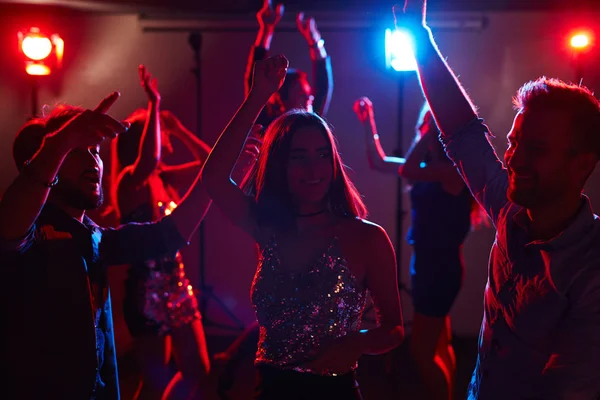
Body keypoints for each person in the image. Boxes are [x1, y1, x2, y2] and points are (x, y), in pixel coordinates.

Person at [395, 1, 600, 399]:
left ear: (582, 165)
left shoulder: (591, 269)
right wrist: (420, 37)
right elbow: (462, 134)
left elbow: (568, 390)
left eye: (536, 148)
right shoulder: (512, 211)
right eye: (513, 142)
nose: (514, 158)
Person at [201, 55, 404, 400]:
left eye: (322, 155)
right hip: (269, 390)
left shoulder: (366, 237)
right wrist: (257, 97)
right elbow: (214, 178)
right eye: (299, 156)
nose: (314, 168)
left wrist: (358, 343)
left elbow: (394, 328)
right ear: (280, 165)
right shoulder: (269, 228)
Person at [0, 92, 211, 399]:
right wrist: (62, 139)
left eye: (95, 150)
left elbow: (168, 233)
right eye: (77, 150)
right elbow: (9, 224)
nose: (93, 160)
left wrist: (254, 102)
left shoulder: (95, 236)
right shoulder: (29, 233)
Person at [354, 97, 487, 400]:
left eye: (436, 124)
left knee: (422, 353)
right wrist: (367, 121)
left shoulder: (453, 171)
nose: (429, 128)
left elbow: (407, 169)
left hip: (439, 270)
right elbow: (380, 162)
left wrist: (434, 129)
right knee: (440, 345)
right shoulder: (432, 168)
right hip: (429, 266)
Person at [109, 65, 214, 400]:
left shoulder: (164, 177)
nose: (164, 135)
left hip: (177, 286)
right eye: (160, 131)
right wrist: (154, 104)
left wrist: (180, 129)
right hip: (146, 293)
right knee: (153, 381)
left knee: (199, 372)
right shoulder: (130, 180)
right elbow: (149, 156)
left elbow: (211, 164)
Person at [245, 0, 333, 128]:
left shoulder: (311, 125)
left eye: (307, 92)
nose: (309, 97)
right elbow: (254, 84)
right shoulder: (269, 128)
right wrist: (266, 30)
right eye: (301, 93)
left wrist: (316, 43)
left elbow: (323, 87)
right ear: (282, 100)